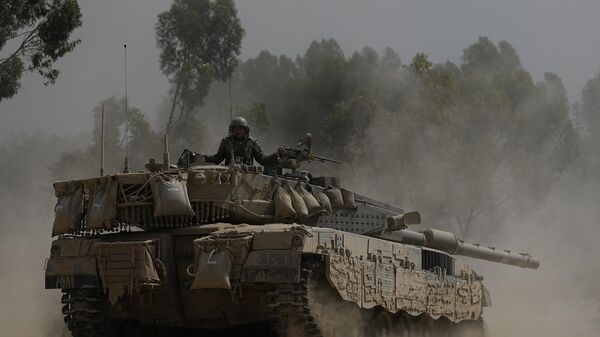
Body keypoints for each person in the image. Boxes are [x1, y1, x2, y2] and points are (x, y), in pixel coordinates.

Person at [203, 117, 281, 166]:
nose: (237, 131)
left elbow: (262, 160)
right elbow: (218, 159)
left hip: (248, 177)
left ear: (245, 130)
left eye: (240, 128)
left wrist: (275, 156)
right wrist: (204, 158)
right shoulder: (226, 141)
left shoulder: (252, 142)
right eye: (235, 128)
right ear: (232, 130)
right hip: (230, 176)